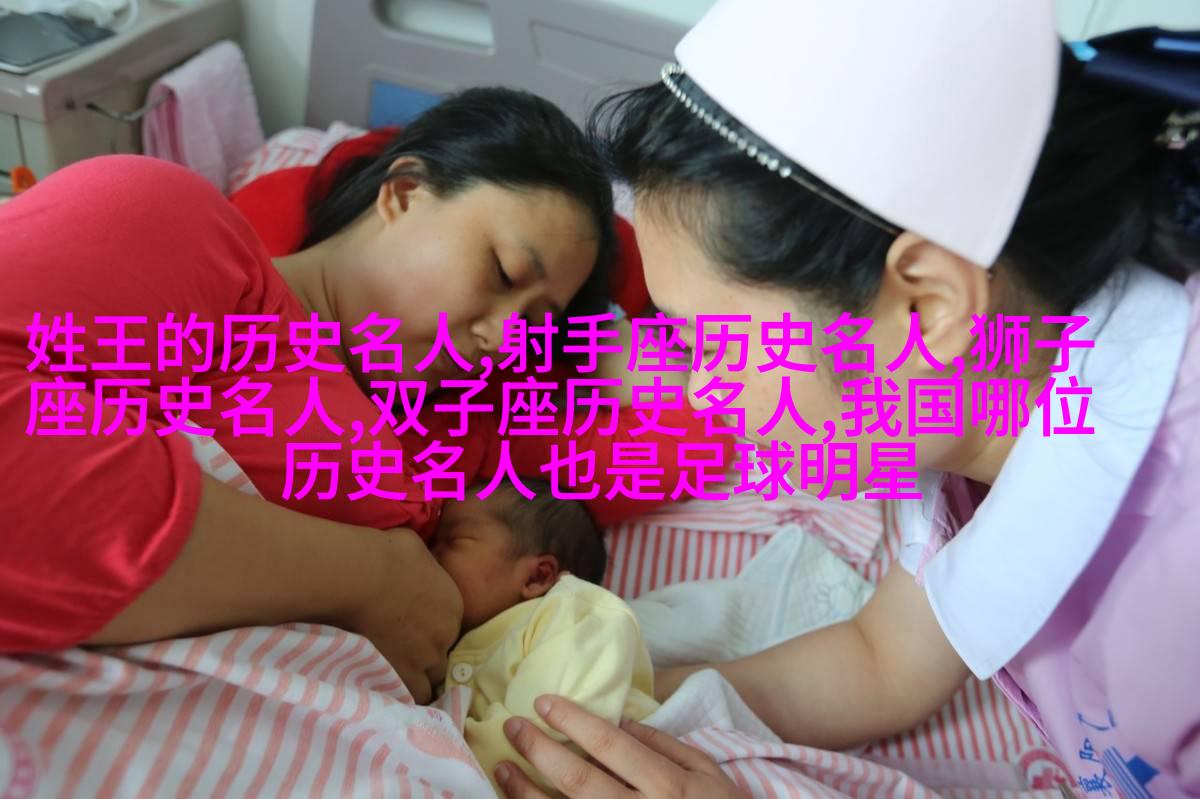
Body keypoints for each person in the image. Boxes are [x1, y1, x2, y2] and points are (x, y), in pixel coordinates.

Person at [489, 1, 1200, 797]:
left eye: (714, 343)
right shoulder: (985, 407)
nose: (699, 391)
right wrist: (610, 696)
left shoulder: (1178, 585)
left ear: (928, 307)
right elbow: (882, 658)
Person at [0, 87, 617, 704]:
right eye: (504, 272)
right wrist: (368, 577)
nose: (507, 339)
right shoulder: (178, 226)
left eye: (534, 323)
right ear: (405, 193)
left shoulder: (437, 462)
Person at [432, 480, 657, 797]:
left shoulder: (576, 612)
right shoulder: (448, 642)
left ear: (537, 576)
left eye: (453, 541)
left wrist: (428, 761)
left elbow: (550, 734)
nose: (429, 555)